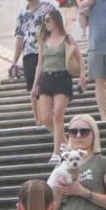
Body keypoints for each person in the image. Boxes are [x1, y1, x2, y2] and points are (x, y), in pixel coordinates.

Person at [30, 10, 78, 142]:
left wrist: (83, 77)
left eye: (48, 20)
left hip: (62, 77)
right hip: (46, 78)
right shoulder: (43, 40)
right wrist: (35, 85)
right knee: (45, 118)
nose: (45, 24)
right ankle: (66, 144)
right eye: (44, 21)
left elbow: (79, 58)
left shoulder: (67, 38)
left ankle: (57, 151)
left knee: (57, 114)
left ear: (56, 20)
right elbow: (40, 64)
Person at [12, 0, 53, 93]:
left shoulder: (48, 8)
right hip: (29, 54)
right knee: (33, 90)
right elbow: (20, 37)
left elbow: (56, 28)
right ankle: (36, 111)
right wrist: (14, 62)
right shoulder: (22, 14)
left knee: (46, 88)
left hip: (46, 52)